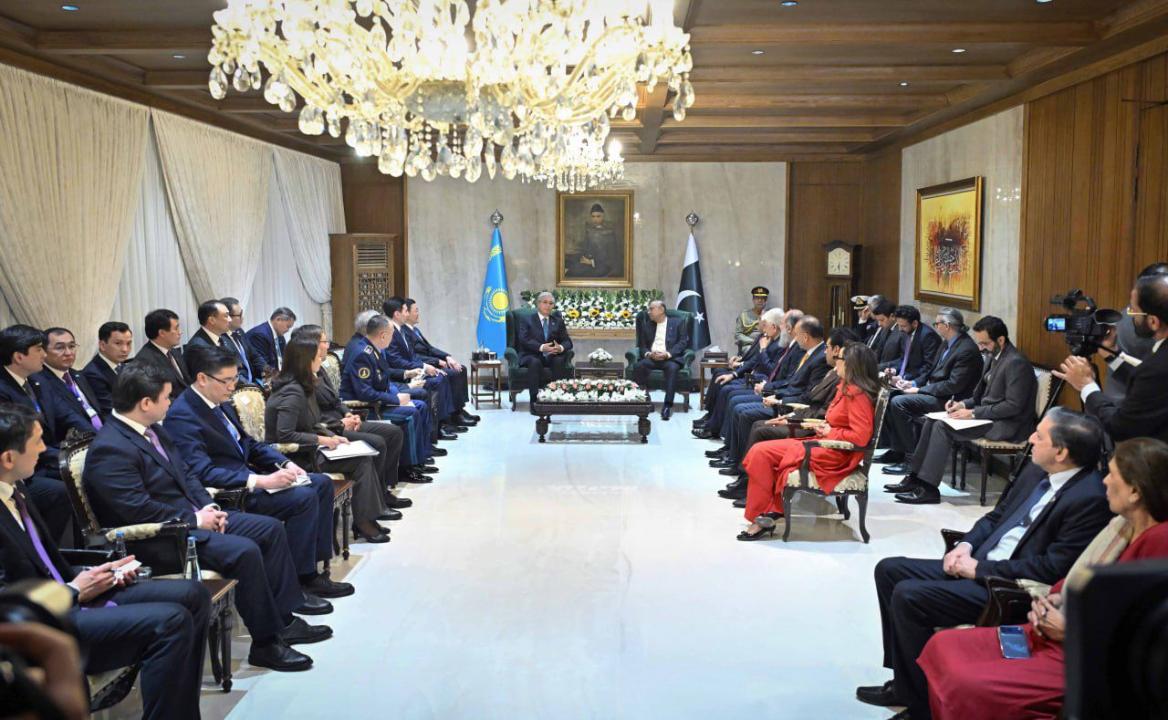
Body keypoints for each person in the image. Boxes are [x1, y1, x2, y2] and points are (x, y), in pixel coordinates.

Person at [856, 407, 1113, 715]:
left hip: (1008, 585)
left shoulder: (1089, 498)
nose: (1031, 439)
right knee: (889, 570)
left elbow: (1051, 568)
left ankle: (921, 704)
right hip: (981, 562)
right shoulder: (1037, 471)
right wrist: (965, 545)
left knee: (909, 596)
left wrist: (979, 569)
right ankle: (905, 682)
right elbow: (996, 516)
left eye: (1039, 435)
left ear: (1061, 452)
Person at [83, 363, 327, 672]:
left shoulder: (153, 429)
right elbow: (136, 510)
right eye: (166, 397)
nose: (171, 402)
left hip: (191, 518)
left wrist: (208, 507)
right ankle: (266, 643)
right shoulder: (110, 448)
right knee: (244, 551)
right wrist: (195, 519)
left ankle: (285, 618)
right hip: (161, 539)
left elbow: (187, 475)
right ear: (145, 403)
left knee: (268, 530)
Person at [915, 436, 1168, 720]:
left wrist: (1071, 628)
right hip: (1054, 628)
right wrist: (1052, 599)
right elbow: (1078, 578)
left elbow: (1142, 636)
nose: (1104, 481)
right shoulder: (1122, 523)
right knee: (943, 644)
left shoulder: (1159, 541)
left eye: (1112, 475)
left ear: (1134, 491)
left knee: (967, 681)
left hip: (1083, 655)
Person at [0, 402, 210, 720]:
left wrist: (94, 572)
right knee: (171, 621)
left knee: (194, 594)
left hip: (66, 592)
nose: (44, 449)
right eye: (37, 441)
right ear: (8, 458)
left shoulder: (17, 489)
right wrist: (73, 591)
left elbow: (45, 560)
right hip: (41, 623)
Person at [164, 345, 349, 603]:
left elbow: (249, 444)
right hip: (231, 493)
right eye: (227, 381)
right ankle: (299, 579)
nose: (233, 387)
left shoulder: (218, 403)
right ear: (202, 378)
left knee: (320, 484)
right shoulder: (183, 415)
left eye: (235, 379)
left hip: (249, 477)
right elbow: (202, 472)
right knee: (303, 499)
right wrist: (260, 480)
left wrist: (285, 463)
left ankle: (312, 570)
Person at [888, 316, 1038, 504]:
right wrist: (962, 405)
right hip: (988, 417)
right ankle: (915, 477)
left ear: (1001, 340)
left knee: (942, 427)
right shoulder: (994, 357)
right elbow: (980, 397)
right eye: (979, 343)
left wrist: (973, 413)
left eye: (985, 343)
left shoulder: (1016, 362)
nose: (981, 348)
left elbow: (1013, 406)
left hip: (1007, 424)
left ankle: (929, 488)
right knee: (932, 420)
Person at [737, 342, 880, 539]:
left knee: (760, 453)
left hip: (834, 453)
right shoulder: (846, 387)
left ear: (851, 364)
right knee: (759, 450)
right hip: (824, 443)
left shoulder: (858, 395)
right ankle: (768, 511)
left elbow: (860, 438)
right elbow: (836, 422)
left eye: (839, 358)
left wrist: (831, 431)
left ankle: (763, 516)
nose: (835, 361)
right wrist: (822, 427)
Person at [266, 337, 390, 543]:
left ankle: (367, 518)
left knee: (365, 457)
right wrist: (322, 440)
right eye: (317, 357)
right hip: (297, 457)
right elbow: (285, 435)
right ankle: (364, 522)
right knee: (361, 462)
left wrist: (333, 436)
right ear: (306, 361)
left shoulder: (304, 385)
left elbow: (312, 422)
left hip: (311, 449)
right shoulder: (292, 391)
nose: (320, 360)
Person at [717, 328, 851, 503]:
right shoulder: (833, 373)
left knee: (760, 428)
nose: (825, 351)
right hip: (801, 413)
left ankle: (749, 485)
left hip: (810, 427)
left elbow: (821, 411)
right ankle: (746, 480)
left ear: (837, 351)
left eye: (828, 347)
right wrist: (789, 414)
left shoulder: (840, 379)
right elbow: (810, 400)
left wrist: (790, 415)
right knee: (757, 424)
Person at [289, 324, 421, 497]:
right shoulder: (301, 378)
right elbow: (310, 418)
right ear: (310, 344)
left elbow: (336, 400)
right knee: (378, 442)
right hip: (330, 429)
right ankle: (377, 496)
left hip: (343, 421)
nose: (328, 345)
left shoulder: (319, 369)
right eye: (324, 341)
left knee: (393, 433)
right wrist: (340, 423)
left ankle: (385, 487)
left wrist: (349, 413)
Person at [1054, 271, 1168, 443]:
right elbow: (1152, 389)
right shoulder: (1157, 368)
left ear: (1153, 322)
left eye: (1133, 311)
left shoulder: (1157, 368)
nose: (1129, 315)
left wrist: (1086, 385)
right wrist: (1111, 355)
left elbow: (1120, 428)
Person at [713, 317, 831, 476]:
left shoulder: (819, 358)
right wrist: (774, 393)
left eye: (796, 334)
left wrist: (778, 399)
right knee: (738, 406)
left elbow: (807, 394)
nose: (794, 338)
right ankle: (735, 459)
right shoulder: (810, 353)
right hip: (783, 396)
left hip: (791, 408)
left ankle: (742, 468)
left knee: (743, 412)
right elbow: (793, 383)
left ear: (804, 337)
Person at [878, 308, 982, 468]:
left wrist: (920, 390)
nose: (935, 326)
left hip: (950, 401)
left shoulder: (966, 349)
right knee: (891, 395)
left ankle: (911, 458)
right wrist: (912, 383)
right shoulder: (946, 343)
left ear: (947, 325)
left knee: (899, 403)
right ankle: (898, 450)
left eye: (937, 323)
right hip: (936, 393)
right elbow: (931, 371)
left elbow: (953, 385)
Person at [340, 312, 437, 472]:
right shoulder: (362, 354)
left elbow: (382, 378)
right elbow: (365, 393)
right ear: (383, 335)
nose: (392, 339)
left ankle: (420, 457)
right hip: (366, 408)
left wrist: (398, 390)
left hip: (378, 402)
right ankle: (408, 468)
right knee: (410, 414)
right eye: (392, 335)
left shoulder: (372, 350)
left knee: (420, 405)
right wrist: (396, 399)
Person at [0, 325, 71, 540]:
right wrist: (63, 456)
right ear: (19, 357)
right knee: (62, 491)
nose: (44, 354)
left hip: (45, 457)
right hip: (22, 469)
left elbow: (66, 414)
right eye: (39, 349)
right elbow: (16, 442)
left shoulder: (38, 380)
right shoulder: (2, 390)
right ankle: (45, 548)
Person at [694, 309, 799, 440]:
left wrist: (763, 350)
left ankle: (715, 428)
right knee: (722, 379)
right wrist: (735, 372)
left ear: (773, 327)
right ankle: (712, 420)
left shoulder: (781, 345)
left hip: (763, 382)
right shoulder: (769, 339)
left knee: (729, 393)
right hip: (760, 380)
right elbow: (754, 359)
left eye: (764, 324)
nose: (762, 326)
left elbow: (771, 370)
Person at [383, 296, 460, 435]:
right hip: (401, 376)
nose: (407, 314)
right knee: (436, 381)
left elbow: (413, 355)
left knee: (440, 376)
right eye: (406, 311)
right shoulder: (392, 332)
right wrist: (423, 368)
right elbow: (396, 361)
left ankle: (442, 422)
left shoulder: (401, 330)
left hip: (413, 370)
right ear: (397, 314)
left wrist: (426, 366)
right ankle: (438, 426)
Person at [401, 298, 478, 427]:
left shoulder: (415, 330)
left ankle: (459, 409)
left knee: (461, 369)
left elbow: (430, 348)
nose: (418, 313)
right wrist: (437, 361)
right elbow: (414, 356)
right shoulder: (404, 332)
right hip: (423, 366)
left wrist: (447, 357)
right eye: (416, 311)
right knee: (452, 374)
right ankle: (452, 415)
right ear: (407, 313)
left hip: (431, 362)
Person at [1103, 262, 1168, 400]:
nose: (1130, 312)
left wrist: (1087, 387)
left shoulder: (1139, 325)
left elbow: (1148, 381)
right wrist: (1111, 355)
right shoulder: (1130, 322)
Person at [34, 327, 105, 444]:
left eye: (71, 346)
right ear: (44, 351)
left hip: (101, 435)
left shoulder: (78, 375)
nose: (68, 353)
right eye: (60, 347)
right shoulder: (41, 382)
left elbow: (99, 411)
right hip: (75, 444)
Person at [632, 300, 690, 420]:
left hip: (669, 359)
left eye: (651, 309)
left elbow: (683, 342)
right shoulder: (647, 325)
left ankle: (667, 406)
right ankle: (645, 400)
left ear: (661, 310)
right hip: (652, 358)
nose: (648, 312)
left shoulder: (678, 323)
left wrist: (667, 354)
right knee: (638, 366)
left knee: (672, 368)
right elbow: (642, 346)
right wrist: (649, 354)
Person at [515, 292, 574, 403]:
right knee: (535, 362)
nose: (548, 306)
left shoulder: (558, 321)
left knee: (558, 360)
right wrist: (541, 347)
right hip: (532, 354)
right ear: (538, 304)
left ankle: (557, 396)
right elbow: (523, 339)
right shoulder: (527, 320)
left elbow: (568, 341)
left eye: (551, 303)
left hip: (552, 355)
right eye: (545, 302)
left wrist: (560, 347)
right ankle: (534, 400)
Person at [879, 304, 941, 387]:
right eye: (898, 325)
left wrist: (905, 377)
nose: (900, 329)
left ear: (915, 323)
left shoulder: (928, 336)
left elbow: (928, 367)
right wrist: (894, 369)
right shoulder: (906, 332)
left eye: (903, 326)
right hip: (903, 378)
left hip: (918, 382)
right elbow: (904, 359)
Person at [135, 308, 188, 399]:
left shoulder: (173, 351)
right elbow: (159, 398)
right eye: (176, 328)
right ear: (162, 333)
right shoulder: (145, 361)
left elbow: (187, 382)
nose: (180, 332)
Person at [81, 320, 132, 417]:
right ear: (102, 345)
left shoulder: (122, 365)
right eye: (118, 343)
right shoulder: (93, 374)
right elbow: (110, 410)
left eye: (128, 343)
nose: (125, 349)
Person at [566, 202, 620, 278]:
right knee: (570, 270)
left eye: (598, 216)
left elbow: (611, 258)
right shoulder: (589, 231)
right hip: (587, 263)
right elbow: (586, 249)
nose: (595, 219)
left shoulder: (610, 233)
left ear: (603, 216)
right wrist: (583, 258)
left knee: (575, 273)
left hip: (602, 267)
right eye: (593, 216)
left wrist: (591, 262)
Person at [220, 296, 262, 385]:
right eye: (240, 315)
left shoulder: (239, 331)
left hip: (253, 382)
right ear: (228, 317)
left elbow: (255, 357)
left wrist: (270, 374)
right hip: (238, 387)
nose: (243, 317)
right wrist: (251, 387)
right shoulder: (220, 339)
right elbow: (232, 373)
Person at [245, 307, 296, 379]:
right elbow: (261, 366)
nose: (288, 330)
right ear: (278, 319)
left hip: (276, 376)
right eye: (288, 326)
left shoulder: (280, 337)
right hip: (261, 379)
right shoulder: (260, 335)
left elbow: (283, 361)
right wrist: (280, 379)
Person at [734, 286, 769, 355]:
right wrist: (753, 341)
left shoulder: (770, 315)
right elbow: (738, 334)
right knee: (751, 351)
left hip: (766, 343)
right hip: (749, 344)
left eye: (762, 298)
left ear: (766, 301)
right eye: (757, 298)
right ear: (753, 300)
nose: (760, 300)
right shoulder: (744, 315)